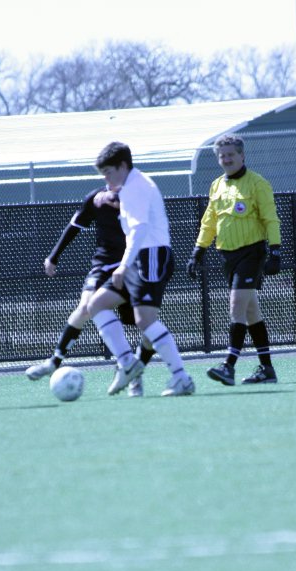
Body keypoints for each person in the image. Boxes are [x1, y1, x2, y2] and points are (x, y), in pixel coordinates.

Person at [25, 183, 155, 397]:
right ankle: (54, 361)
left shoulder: (140, 198)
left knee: (147, 327)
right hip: (103, 266)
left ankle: (133, 371)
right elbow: (75, 226)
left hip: (132, 268)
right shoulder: (96, 198)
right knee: (85, 307)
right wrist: (53, 256)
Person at [87, 141, 195, 397]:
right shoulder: (129, 186)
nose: (106, 180)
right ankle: (128, 364)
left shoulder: (136, 187)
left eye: (109, 173)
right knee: (96, 304)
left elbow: (139, 229)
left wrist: (123, 265)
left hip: (151, 256)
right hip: (139, 259)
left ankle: (182, 378)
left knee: (145, 321)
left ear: (123, 166)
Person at [187, 133, 281, 385]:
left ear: (242, 156)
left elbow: (270, 219)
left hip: (252, 253)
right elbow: (210, 221)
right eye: (222, 155)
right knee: (251, 312)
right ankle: (267, 369)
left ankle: (228, 366)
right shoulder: (217, 185)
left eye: (231, 154)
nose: (227, 159)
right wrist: (198, 250)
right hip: (228, 256)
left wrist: (275, 251)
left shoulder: (257, 184)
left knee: (236, 305)